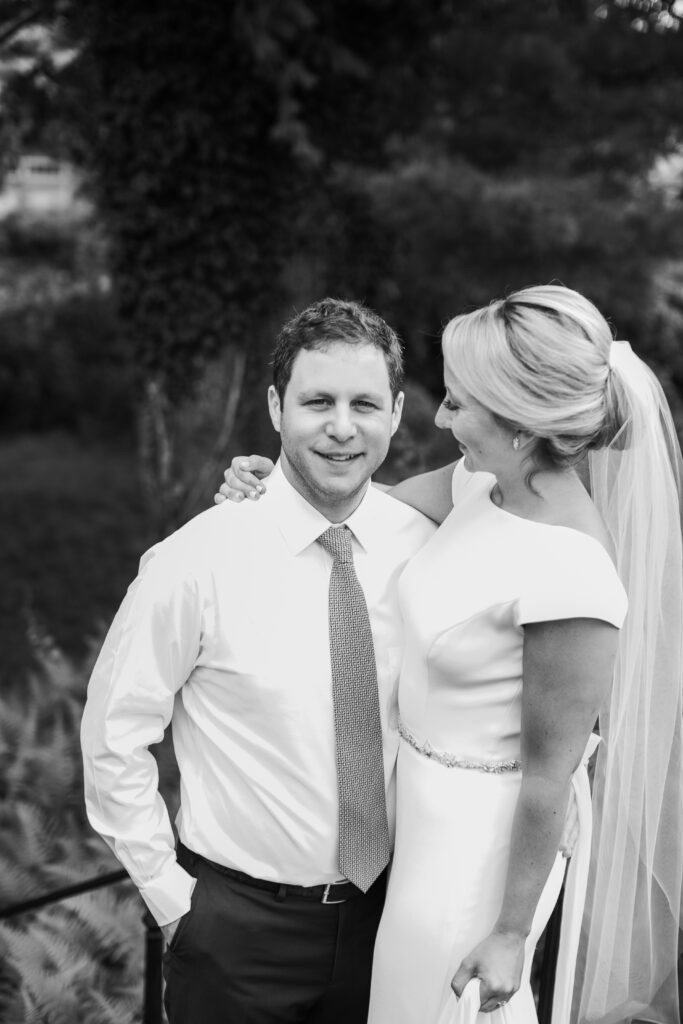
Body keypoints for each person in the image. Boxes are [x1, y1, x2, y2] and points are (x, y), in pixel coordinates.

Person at [217, 285, 683, 1024]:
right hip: (415, 822)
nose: (439, 416)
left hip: (479, 854)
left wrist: (507, 932)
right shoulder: (481, 486)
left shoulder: (572, 572)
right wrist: (271, 485)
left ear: (523, 424)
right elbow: (372, 507)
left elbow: (547, 778)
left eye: (460, 402)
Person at [80, 298, 438, 1024]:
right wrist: (172, 902)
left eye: (364, 403)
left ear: (396, 414)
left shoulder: (428, 546)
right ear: (276, 406)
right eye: (317, 402)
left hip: (392, 925)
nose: (342, 427)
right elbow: (113, 735)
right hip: (237, 936)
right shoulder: (196, 560)